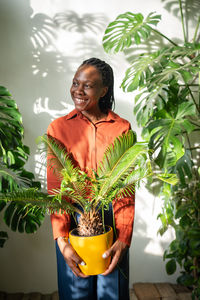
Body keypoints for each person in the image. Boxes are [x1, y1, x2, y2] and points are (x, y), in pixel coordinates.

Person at [47, 57, 135, 300]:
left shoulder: (122, 128)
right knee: (76, 292)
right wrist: (62, 241)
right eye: (76, 83)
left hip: (112, 217)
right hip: (73, 215)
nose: (78, 90)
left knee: (112, 293)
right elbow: (57, 190)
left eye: (88, 85)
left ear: (104, 90)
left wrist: (124, 238)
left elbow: (126, 188)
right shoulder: (58, 129)